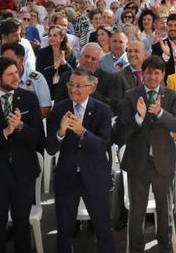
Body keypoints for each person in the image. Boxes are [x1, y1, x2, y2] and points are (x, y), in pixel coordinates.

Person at [0, 56, 44, 253]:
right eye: (10, 74)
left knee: (22, 225)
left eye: (17, 72)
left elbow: (39, 137)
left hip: (24, 172)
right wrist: (5, 133)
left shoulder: (30, 98)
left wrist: (20, 126)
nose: (16, 77)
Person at [46, 68, 114, 253]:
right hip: (67, 178)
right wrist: (60, 131)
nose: (73, 89)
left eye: (79, 86)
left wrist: (82, 131)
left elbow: (103, 145)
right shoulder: (59, 109)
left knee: (103, 228)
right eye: (71, 84)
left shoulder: (103, 110)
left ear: (90, 88)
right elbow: (50, 148)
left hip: (95, 177)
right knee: (64, 231)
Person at [119, 55, 176, 253]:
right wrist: (139, 116)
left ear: (163, 75)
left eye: (157, 72)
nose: (152, 76)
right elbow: (121, 131)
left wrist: (161, 113)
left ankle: (165, 247)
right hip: (138, 162)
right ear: (143, 74)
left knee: (165, 210)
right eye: (149, 72)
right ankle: (136, 249)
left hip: (163, 162)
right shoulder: (131, 96)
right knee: (137, 211)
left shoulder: (172, 95)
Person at [151, 13, 176, 78]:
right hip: (167, 86)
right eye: (170, 25)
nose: (172, 28)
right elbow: (155, 68)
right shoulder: (157, 47)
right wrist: (165, 55)